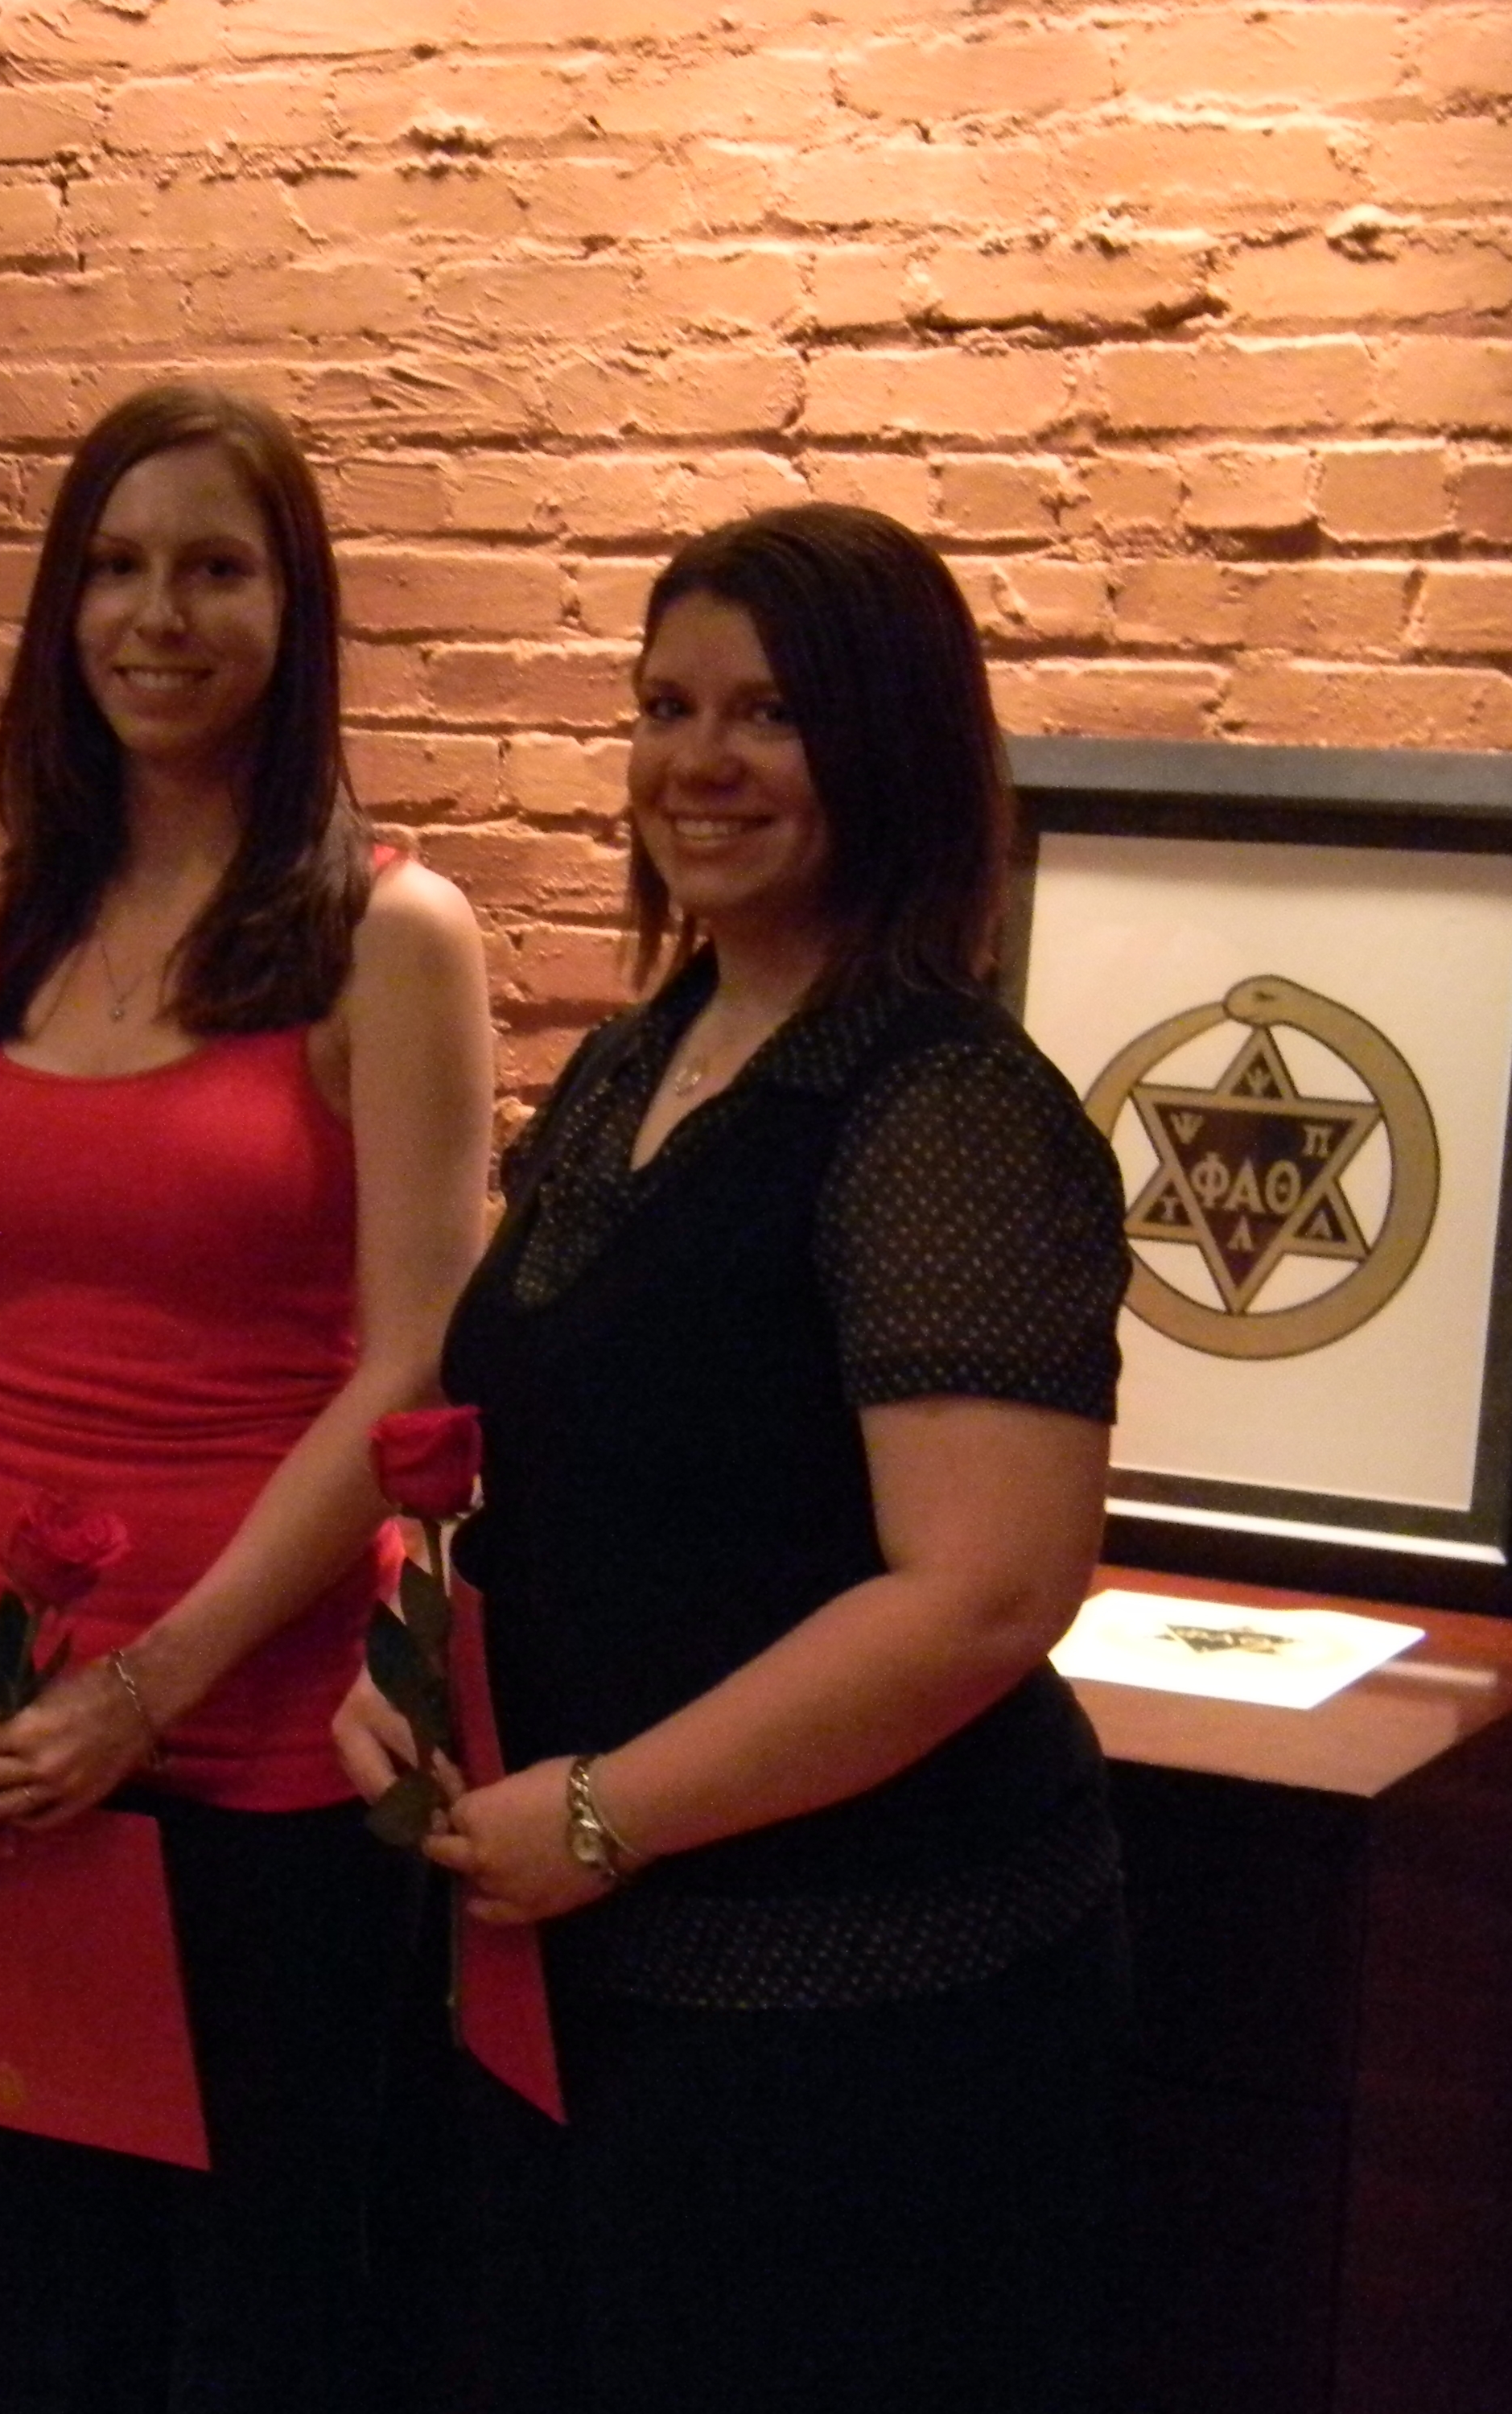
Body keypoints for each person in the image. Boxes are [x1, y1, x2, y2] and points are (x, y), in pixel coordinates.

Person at [338, 503, 1133, 2412]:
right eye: (663, 705)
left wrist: (602, 1811)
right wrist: (405, 1656)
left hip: (857, 2016)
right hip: (597, 1992)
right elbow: (515, 1434)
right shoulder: (647, 1052)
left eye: (766, 713)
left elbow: (984, 1594)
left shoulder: (942, 1109)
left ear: (888, 746)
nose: (697, 761)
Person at [0, 381, 494, 2412]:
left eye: (213, 568)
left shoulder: (386, 939)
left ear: (293, 613)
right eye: (114, 568)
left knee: (260, 2322)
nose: (156, 614)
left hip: (273, 1754)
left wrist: (149, 1686)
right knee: (37, 2311)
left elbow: (412, 1362)